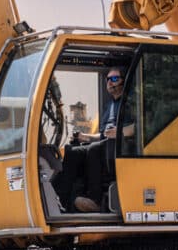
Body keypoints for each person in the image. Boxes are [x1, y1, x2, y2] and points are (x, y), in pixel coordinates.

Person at [54, 67, 126, 213]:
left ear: (124, 81)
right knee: (72, 151)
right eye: (108, 79)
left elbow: (138, 128)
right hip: (106, 143)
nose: (111, 82)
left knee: (94, 150)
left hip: (120, 146)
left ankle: (95, 200)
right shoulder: (109, 106)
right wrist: (83, 137)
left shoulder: (129, 103)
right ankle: (62, 200)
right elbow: (102, 135)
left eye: (115, 79)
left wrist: (119, 132)